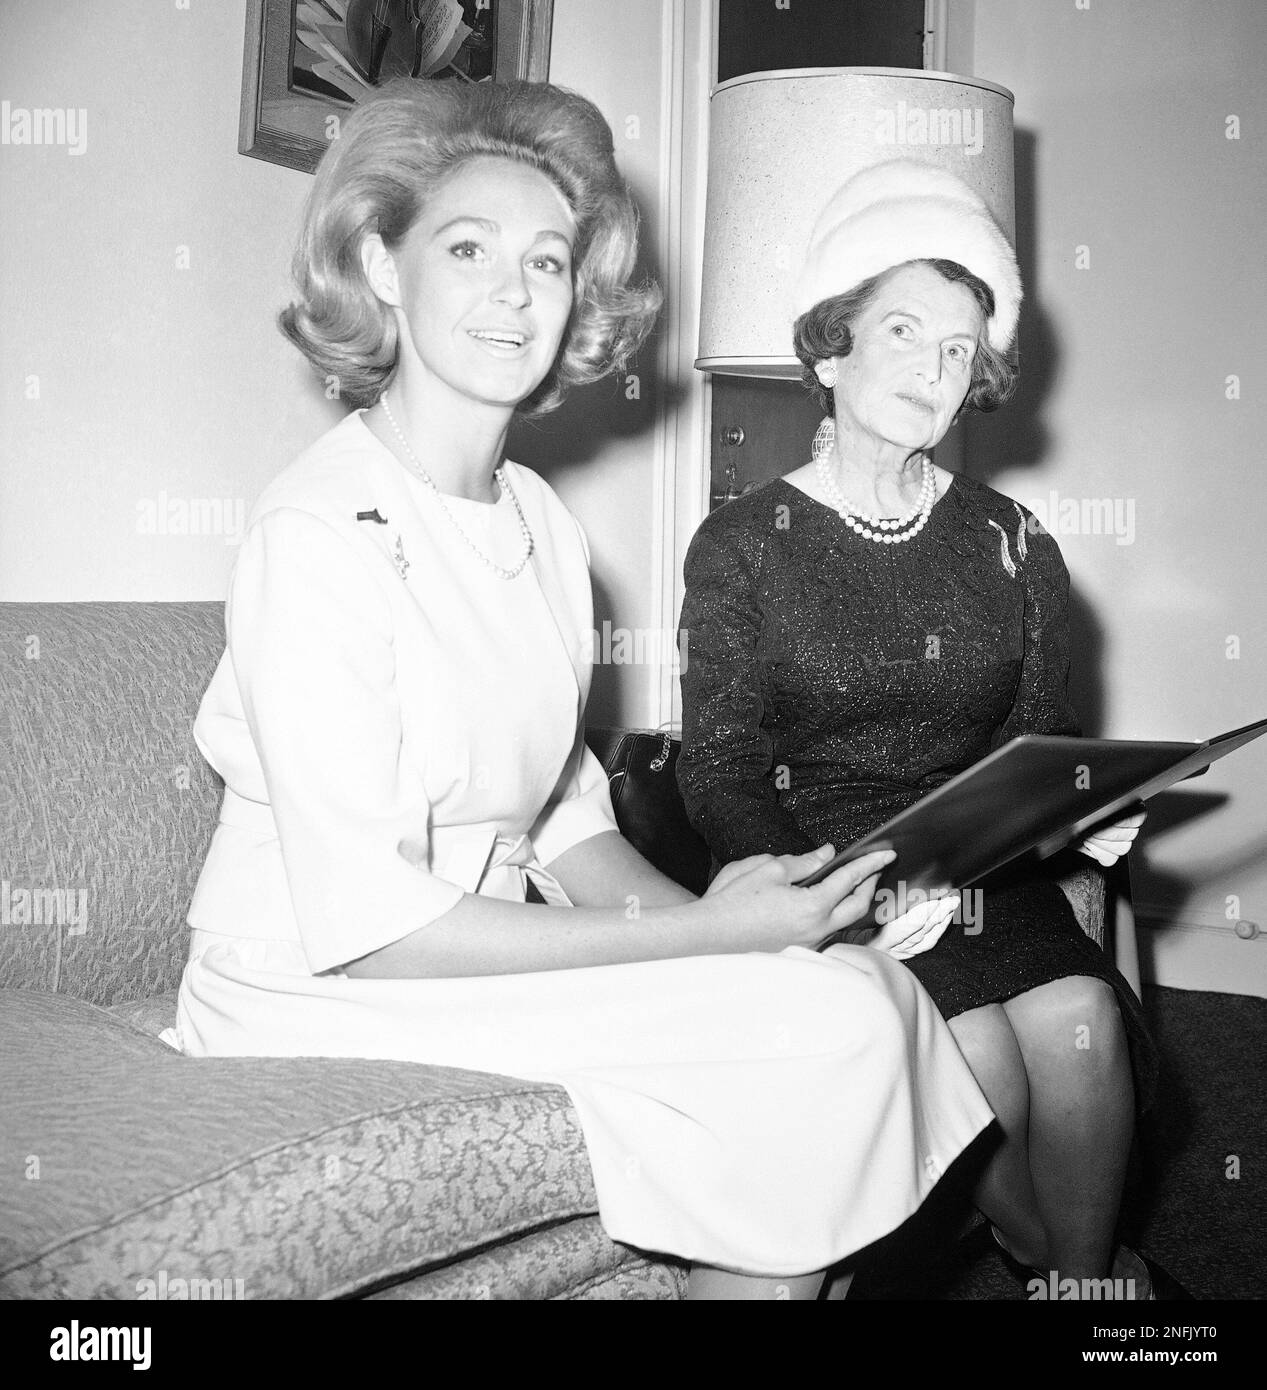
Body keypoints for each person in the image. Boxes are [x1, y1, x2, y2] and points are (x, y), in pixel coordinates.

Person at [165, 83, 994, 1300]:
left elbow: (560, 821)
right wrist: (704, 937)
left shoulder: (543, 524)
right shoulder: (315, 531)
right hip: (311, 980)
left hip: (473, 946)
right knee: (813, 1032)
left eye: (546, 261)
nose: (513, 291)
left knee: (846, 986)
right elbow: (373, 926)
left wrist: (744, 927)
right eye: (468, 249)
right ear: (382, 267)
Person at [677, 159, 1170, 1298]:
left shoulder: (1014, 539)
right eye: (901, 332)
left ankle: (1083, 1294)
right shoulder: (742, 543)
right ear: (830, 350)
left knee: (1082, 1019)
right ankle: (1061, 1265)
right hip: (824, 865)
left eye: (957, 351)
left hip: (980, 862)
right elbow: (721, 769)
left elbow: (1038, 736)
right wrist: (834, 896)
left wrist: (1084, 806)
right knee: (979, 1048)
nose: (931, 369)